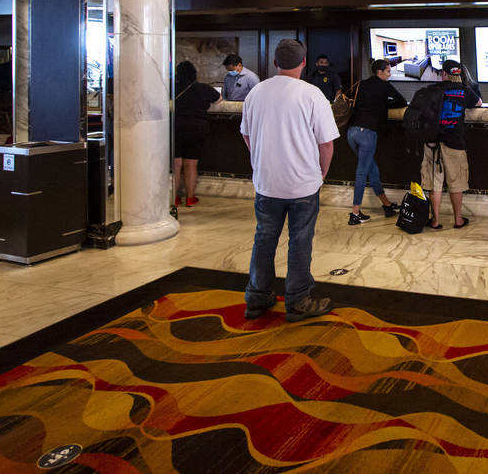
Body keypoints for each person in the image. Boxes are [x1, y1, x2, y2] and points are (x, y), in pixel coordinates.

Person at [240, 38, 339, 322]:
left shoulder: (256, 93)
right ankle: (297, 301)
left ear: (275, 63)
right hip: (303, 184)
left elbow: (246, 133)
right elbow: (327, 144)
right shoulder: (312, 94)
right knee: (300, 241)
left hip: (267, 183)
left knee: (264, 238)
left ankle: (257, 298)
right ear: (304, 62)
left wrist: (260, 157)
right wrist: (322, 173)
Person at [421, 59, 482, 229]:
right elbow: (479, 103)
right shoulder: (464, 91)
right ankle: (458, 220)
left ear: (444, 74)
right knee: (456, 183)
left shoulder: (432, 90)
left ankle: (435, 221)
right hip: (455, 141)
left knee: (435, 184)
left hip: (432, 142)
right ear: (458, 74)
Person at [346, 58, 408, 225]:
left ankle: (387, 205)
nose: (390, 73)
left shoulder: (363, 84)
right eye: (388, 71)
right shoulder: (385, 86)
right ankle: (355, 213)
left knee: (371, 169)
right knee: (361, 172)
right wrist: (386, 103)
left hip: (352, 132)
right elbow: (401, 101)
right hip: (367, 133)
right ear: (379, 72)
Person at [173, 60, 220, 208]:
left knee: (176, 164)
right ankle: (190, 198)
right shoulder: (203, 88)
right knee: (191, 164)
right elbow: (219, 100)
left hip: (176, 127)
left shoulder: (171, 88)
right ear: (194, 74)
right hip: (196, 128)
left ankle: (174, 198)